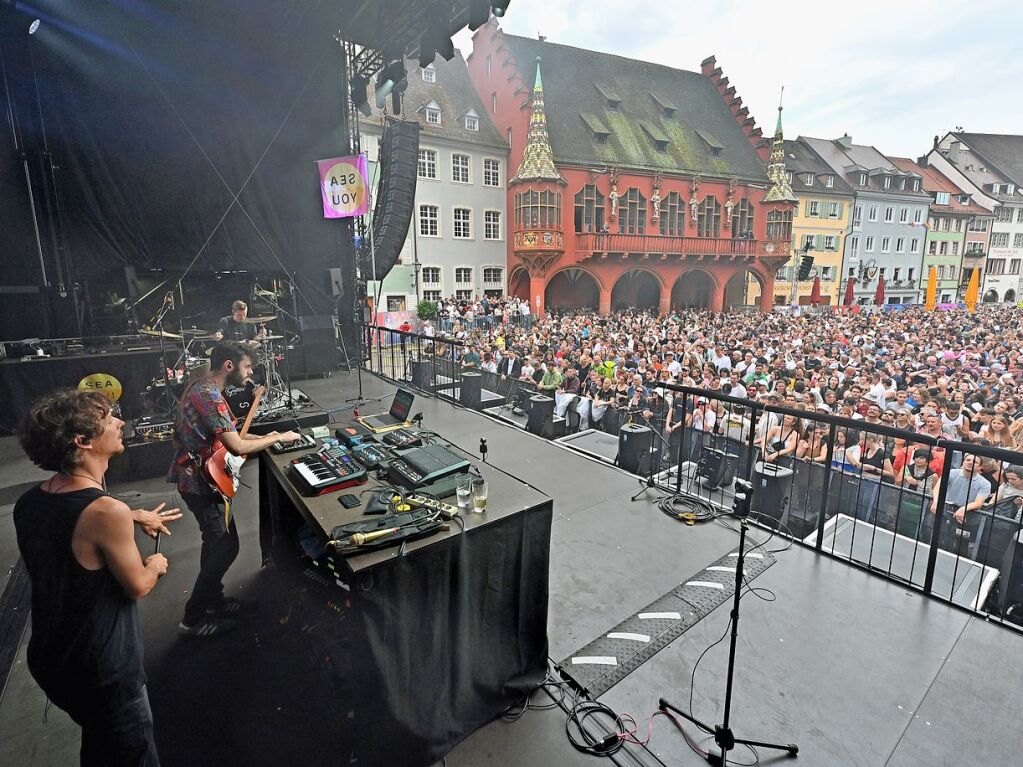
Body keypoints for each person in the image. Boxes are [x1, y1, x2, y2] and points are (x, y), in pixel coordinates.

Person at [15, 389, 183, 766]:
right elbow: (137, 585)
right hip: (103, 671)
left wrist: (128, 513)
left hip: (53, 659)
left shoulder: (31, 502)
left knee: (102, 745)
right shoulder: (106, 513)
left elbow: (72, 526)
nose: (121, 423)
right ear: (83, 441)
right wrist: (155, 562)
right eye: (110, 420)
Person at [169, 341, 299, 637]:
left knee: (214, 544)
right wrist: (278, 437)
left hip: (204, 478)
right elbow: (237, 445)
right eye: (248, 366)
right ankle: (191, 620)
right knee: (226, 548)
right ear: (229, 365)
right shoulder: (209, 396)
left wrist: (273, 435)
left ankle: (212, 602)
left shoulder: (206, 388)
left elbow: (232, 433)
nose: (251, 372)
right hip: (200, 481)